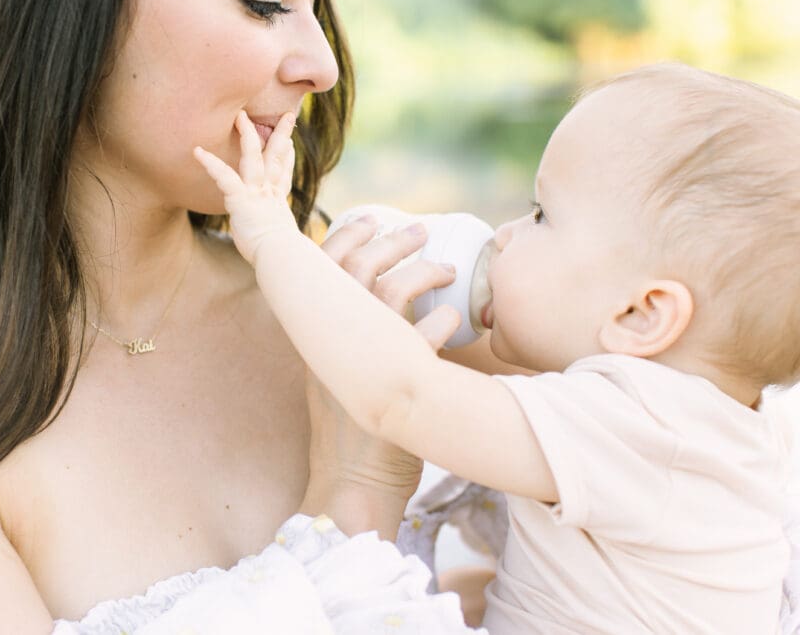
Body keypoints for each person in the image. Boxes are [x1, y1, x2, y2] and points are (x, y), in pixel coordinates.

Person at [0, 0, 484, 632]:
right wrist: (353, 504)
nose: (323, 65)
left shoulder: (369, 302)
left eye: (317, 1)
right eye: (263, 1)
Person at [194, 62, 800, 632]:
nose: (504, 235)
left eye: (541, 216)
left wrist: (274, 236)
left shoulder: (638, 427)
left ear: (641, 315)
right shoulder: (713, 431)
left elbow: (402, 396)